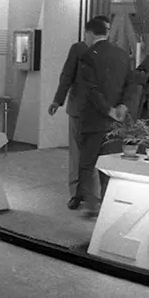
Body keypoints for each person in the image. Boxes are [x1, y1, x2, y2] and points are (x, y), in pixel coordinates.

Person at [72, 19, 140, 217]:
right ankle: (109, 206)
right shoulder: (122, 54)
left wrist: (107, 109)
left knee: (87, 164)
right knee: (108, 165)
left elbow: (90, 90)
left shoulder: (87, 56)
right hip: (116, 122)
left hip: (94, 119)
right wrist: (122, 107)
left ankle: (92, 206)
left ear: (90, 33)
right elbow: (131, 84)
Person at [49, 15, 109, 210]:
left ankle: (98, 194)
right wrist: (58, 100)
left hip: (100, 111)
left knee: (98, 154)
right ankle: (77, 193)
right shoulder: (79, 49)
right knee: (77, 154)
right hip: (78, 110)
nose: (104, 34)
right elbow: (67, 75)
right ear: (88, 32)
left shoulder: (109, 51)